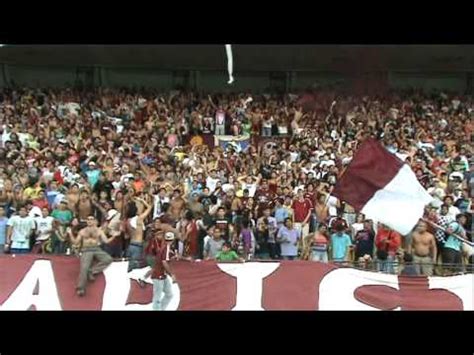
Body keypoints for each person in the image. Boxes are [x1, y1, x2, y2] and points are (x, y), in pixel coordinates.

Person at [70, 215, 115, 296]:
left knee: (108, 259)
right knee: (84, 268)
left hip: (96, 249)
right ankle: (80, 288)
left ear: (94, 221)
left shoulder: (99, 231)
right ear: (86, 221)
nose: (90, 221)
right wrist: (70, 234)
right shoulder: (82, 231)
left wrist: (114, 236)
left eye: (91, 219)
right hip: (86, 250)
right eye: (88, 219)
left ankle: (92, 271)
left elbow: (106, 241)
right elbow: (76, 242)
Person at [147, 231, 178, 311]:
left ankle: (161, 309)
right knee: (157, 296)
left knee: (169, 294)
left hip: (162, 275)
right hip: (158, 275)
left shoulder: (165, 248)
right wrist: (172, 275)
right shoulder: (166, 248)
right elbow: (164, 262)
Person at [126, 196, 153, 272]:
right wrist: (142, 200)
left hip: (131, 244)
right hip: (138, 245)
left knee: (130, 267)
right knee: (136, 268)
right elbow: (149, 207)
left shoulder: (128, 220)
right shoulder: (139, 219)